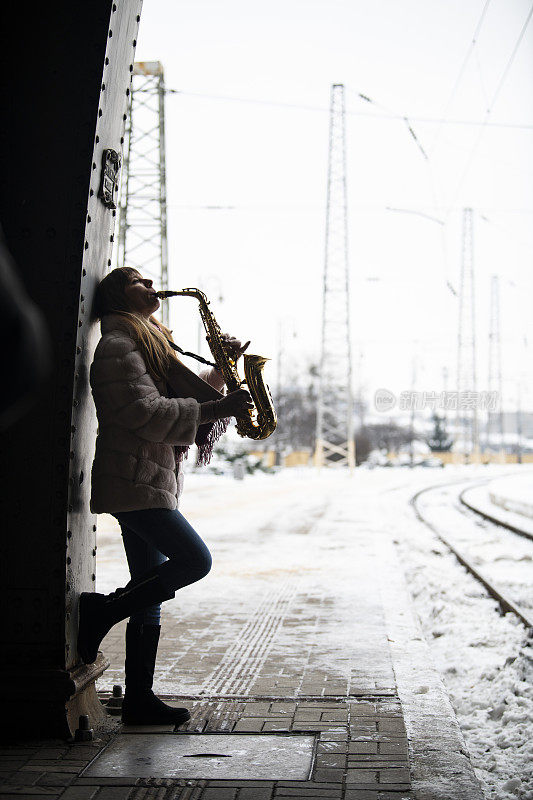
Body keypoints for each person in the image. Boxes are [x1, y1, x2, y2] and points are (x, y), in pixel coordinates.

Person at [77, 266, 252, 726]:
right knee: (196, 561)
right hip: (133, 482)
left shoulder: (150, 345)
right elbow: (145, 413)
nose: (152, 287)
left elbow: (178, 404)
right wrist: (219, 406)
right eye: (139, 282)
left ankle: (139, 700)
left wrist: (218, 374)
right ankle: (100, 613)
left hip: (148, 480)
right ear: (118, 297)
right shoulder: (118, 347)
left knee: (150, 592)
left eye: (151, 281)